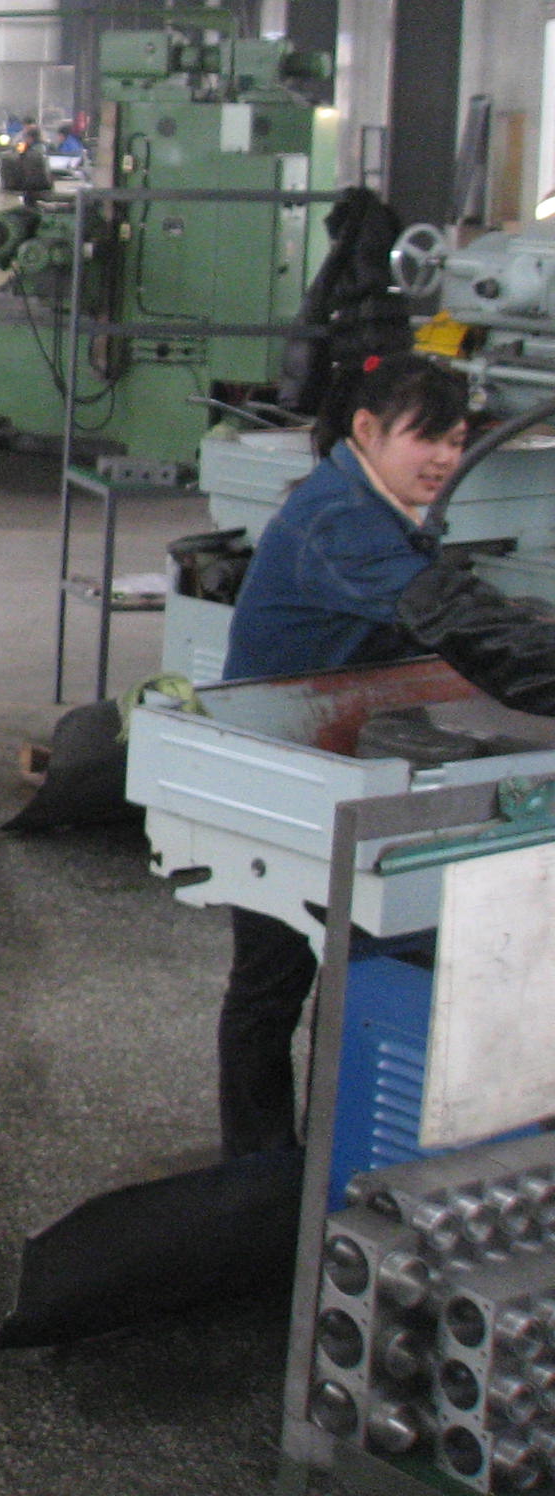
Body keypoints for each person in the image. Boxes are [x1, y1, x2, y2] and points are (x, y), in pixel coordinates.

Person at [210, 352, 555, 1156]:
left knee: (340, 966)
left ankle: (314, 1161)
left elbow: (456, 613)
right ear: (366, 429)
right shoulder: (342, 522)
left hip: (327, 753)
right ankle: (258, 1173)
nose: (444, 459)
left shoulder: (374, 506)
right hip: (272, 768)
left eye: (457, 441)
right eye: (425, 438)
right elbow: (462, 625)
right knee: (271, 983)